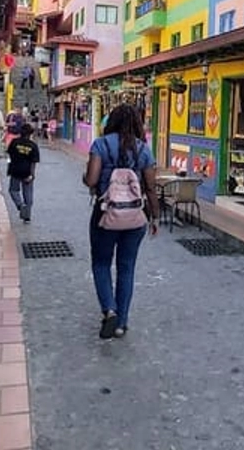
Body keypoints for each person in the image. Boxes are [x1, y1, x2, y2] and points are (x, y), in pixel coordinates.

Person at [82, 104, 160, 340]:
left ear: (112, 121)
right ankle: (121, 324)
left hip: (105, 214)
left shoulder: (101, 144)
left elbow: (91, 180)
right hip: (135, 217)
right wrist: (155, 217)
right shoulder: (143, 149)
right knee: (126, 268)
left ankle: (110, 310)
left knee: (101, 263)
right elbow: (151, 187)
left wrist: (86, 177)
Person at [5, 124, 41, 222]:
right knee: (28, 194)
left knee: (13, 190)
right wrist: (32, 174)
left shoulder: (14, 142)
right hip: (27, 171)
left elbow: (9, 154)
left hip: (15, 170)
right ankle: (27, 215)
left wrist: (10, 166)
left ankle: (20, 205)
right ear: (30, 134)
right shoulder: (33, 146)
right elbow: (34, 162)